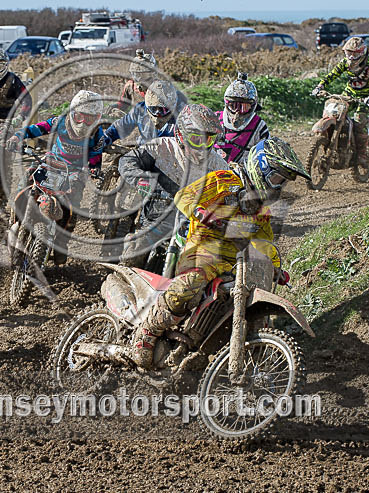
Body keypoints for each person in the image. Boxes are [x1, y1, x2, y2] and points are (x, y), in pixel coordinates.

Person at [130, 137, 311, 369]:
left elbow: (263, 240)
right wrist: (202, 212)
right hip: (203, 250)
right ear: (260, 167)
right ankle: (149, 329)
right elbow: (184, 197)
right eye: (276, 179)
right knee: (192, 282)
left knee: (249, 302)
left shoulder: (261, 209)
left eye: (282, 182)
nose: (278, 186)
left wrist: (275, 266)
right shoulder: (226, 181)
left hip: (233, 264)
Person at [117, 103, 229, 266]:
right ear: (181, 135)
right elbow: (128, 160)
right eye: (196, 139)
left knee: (212, 265)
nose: (202, 146)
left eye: (208, 139)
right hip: (157, 220)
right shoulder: (161, 147)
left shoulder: (219, 165)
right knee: (133, 253)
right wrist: (141, 179)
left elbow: (230, 195)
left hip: (195, 227)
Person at [5, 90, 107, 264]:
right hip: (52, 161)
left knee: (73, 205)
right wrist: (17, 136)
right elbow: (37, 128)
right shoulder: (60, 122)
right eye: (80, 116)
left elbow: (95, 157)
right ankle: (12, 216)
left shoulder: (98, 135)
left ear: (97, 118)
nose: (83, 123)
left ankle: (62, 241)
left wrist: (93, 169)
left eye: (89, 119)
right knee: (29, 175)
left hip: (75, 170)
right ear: (72, 113)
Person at [312, 36, 369, 167]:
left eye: (355, 54)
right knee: (333, 112)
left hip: (365, 98)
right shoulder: (345, 63)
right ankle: (329, 141)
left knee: (358, 122)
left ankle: (362, 155)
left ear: (362, 53)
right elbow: (332, 75)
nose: (351, 57)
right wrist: (320, 86)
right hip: (349, 94)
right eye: (348, 53)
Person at [215, 74, 270, 165]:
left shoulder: (259, 127)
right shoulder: (215, 120)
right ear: (227, 103)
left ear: (252, 106)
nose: (237, 112)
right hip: (213, 174)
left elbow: (266, 158)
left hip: (243, 175)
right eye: (234, 106)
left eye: (243, 107)